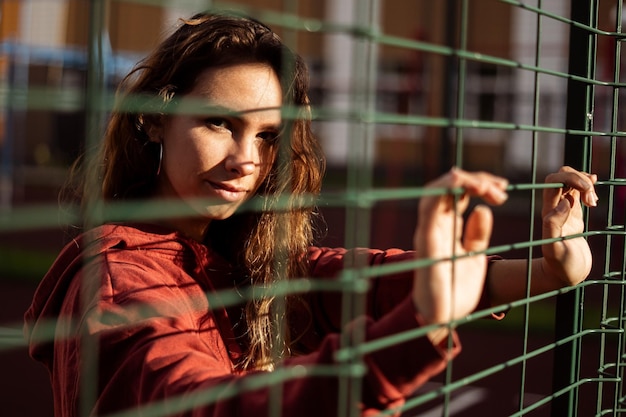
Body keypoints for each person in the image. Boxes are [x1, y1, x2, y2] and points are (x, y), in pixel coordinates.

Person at [23, 11, 599, 417]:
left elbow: (365, 281)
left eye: (269, 135)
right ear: (154, 119)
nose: (246, 160)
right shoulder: (121, 278)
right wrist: (419, 323)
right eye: (219, 122)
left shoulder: (230, 255)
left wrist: (549, 270)